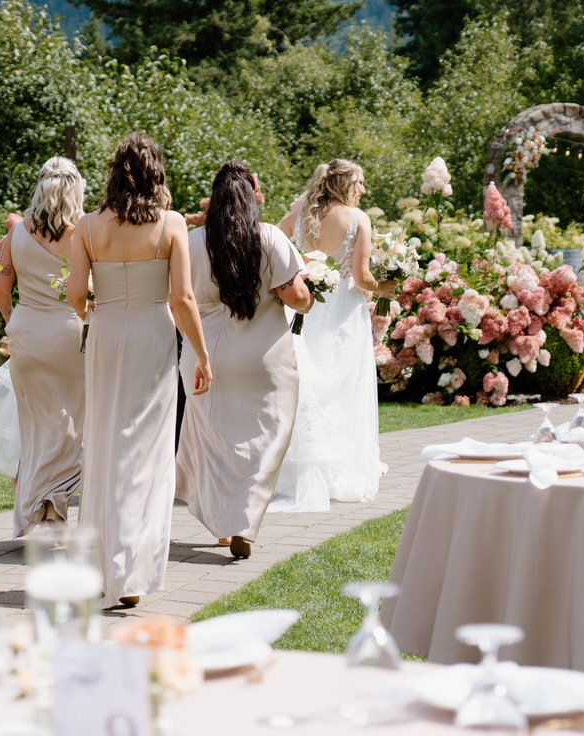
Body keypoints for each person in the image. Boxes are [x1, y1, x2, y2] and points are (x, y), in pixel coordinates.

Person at [67, 133, 211, 609]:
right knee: (146, 448)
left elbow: (74, 298)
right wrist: (202, 354)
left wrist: (105, 308)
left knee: (108, 441)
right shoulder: (170, 224)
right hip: (152, 333)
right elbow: (182, 298)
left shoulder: (87, 226)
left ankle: (103, 562)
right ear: (157, 173)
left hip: (107, 334)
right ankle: (131, 570)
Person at [174, 163, 313, 559]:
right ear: (252, 198)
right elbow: (295, 297)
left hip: (205, 357)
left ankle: (224, 525)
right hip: (263, 357)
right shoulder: (269, 237)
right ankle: (245, 523)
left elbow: (176, 301)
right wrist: (311, 292)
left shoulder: (190, 242)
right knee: (267, 440)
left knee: (217, 443)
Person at [269, 159, 396, 513]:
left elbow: (272, 242)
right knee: (344, 389)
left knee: (308, 386)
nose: (364, 189)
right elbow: (360, 277)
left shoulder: (298, 214)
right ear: (344, 185)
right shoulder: (358, 220)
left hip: (305, 310)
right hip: (343, 315)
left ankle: (302, 471)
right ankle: (338, 472)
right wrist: (383, 286)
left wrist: (301, 274)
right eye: (360, 182)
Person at [0, 156, 87, 536]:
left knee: (33, 424)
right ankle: (53, 494)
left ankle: (37, 498)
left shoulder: (15, 235)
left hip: (27, 335)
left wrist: (13, 320)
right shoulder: (83, 231)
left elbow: (1, 287)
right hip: (71, 335)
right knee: (74, 423)